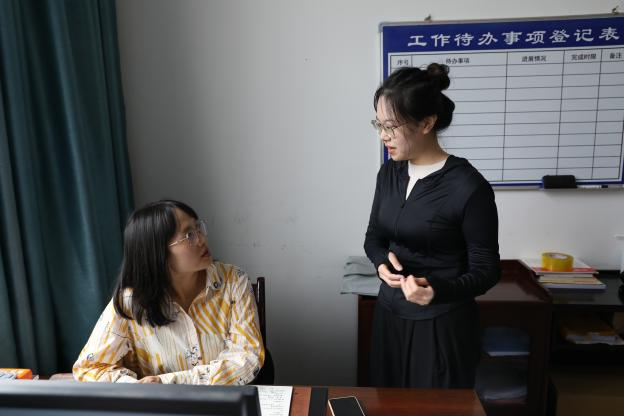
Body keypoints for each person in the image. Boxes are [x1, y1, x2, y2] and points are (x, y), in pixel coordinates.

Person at [364, 63, 500, 388]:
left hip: (441, 325)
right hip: (389, 316)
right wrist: (381, 263)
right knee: (386, 403)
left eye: (391, 126)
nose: (383, 136)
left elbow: (486, 271)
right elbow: (374, 237)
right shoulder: (389, 173)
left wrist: (437, 290)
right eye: (378, 124)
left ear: (426, 123)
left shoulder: (468, 187)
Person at [73, 199, 264, 384]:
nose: (201, 239)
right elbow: (88, 367)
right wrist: (135, 386)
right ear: (157, 251)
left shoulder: (233, 280)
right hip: (159, 403)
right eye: (189, 235)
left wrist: (166, 382)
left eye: (198, 228)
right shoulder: (131, 301)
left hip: (224, 401)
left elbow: (247, 357)